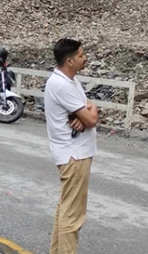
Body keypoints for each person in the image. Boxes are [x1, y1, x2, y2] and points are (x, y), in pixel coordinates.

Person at [45, 39, 98, 254]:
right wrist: (89, 114)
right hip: (74, 155)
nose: (85, 59)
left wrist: (89, 110)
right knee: (72, 215)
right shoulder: (62, 84)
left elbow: (89, 111)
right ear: (69, 60)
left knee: (66, 209)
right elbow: (91, 120)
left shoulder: (70, 81)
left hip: (76, 153)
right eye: (81, 55)